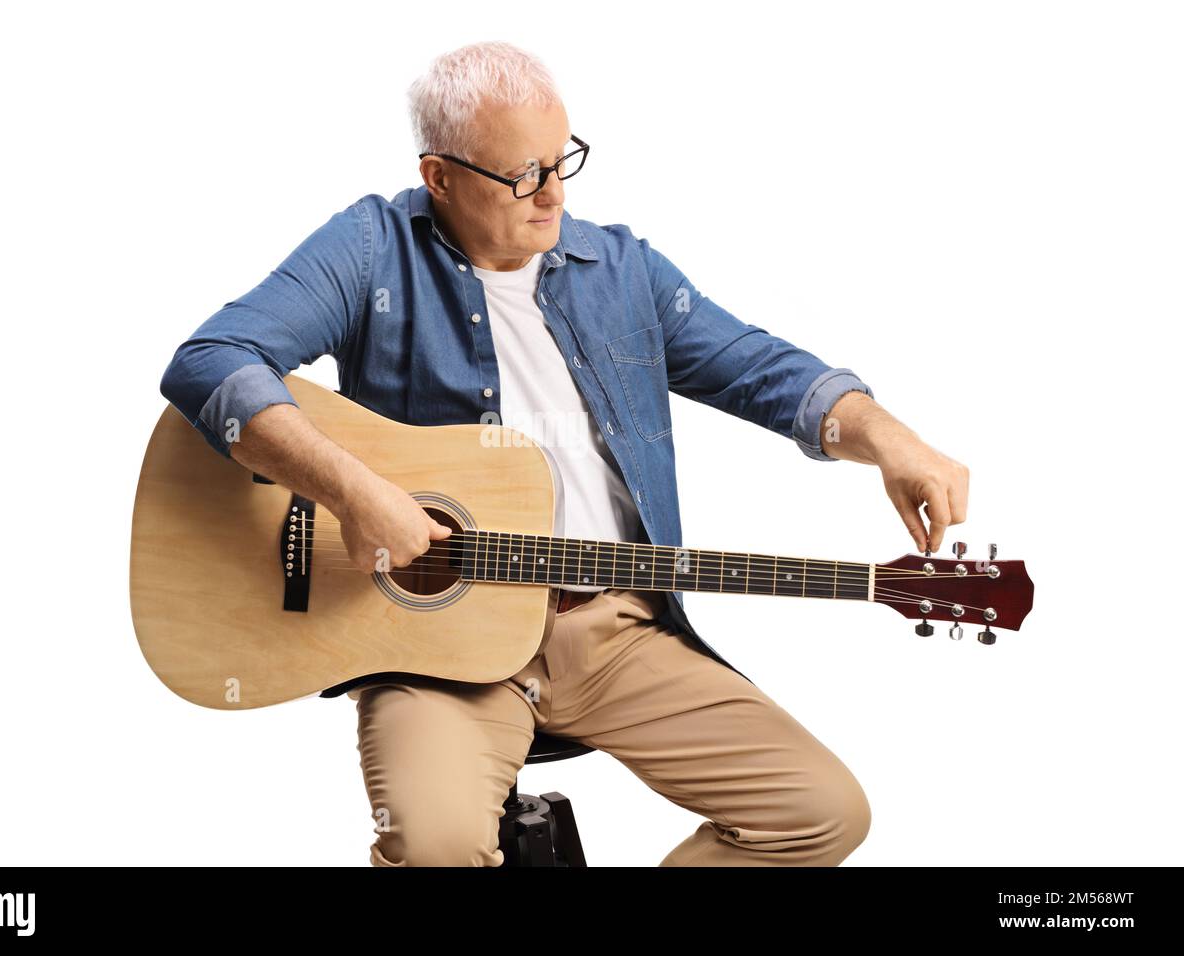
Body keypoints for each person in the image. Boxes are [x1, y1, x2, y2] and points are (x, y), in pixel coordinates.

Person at [158, 41, 969, 866]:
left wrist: (887, 439)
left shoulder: (620, 269)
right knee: (435, 845)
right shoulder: (371, 248)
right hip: (435, 656)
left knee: (821, 812)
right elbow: (211, 361)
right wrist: (352, 490)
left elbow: (762, 370)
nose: (554, 194)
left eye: (561, 160)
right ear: (439, 177)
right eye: (521, 174)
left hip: (616, 635)